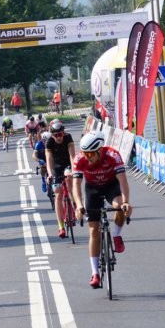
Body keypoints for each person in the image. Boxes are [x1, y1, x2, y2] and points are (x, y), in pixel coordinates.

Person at [72, 130, 132, 289]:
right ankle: (95, 273)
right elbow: (76, 185)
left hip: (110, 186)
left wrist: (126, 202)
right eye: (85, 153)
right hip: (92, 189)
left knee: (119, 207)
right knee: (94, 231)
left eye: (91, 154)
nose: (87, 157)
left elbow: (123, 181)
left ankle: (117, 235)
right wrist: (79, 205)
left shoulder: (113, 156)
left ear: (100, 150)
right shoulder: (79, 160)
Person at [45, 122, 77, 238]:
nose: (59, 137)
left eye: (61, 134)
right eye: (56, 135)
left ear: (64, 133)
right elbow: (49, 161)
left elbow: (72, 156)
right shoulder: (49, 142)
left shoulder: (68, 138)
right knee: (58, 194)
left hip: (67, 165)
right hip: (56, 168)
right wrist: (49, 174)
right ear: (52, 135)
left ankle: (75, 203)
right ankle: (61, 227)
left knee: (69, 179)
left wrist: (74, 170)